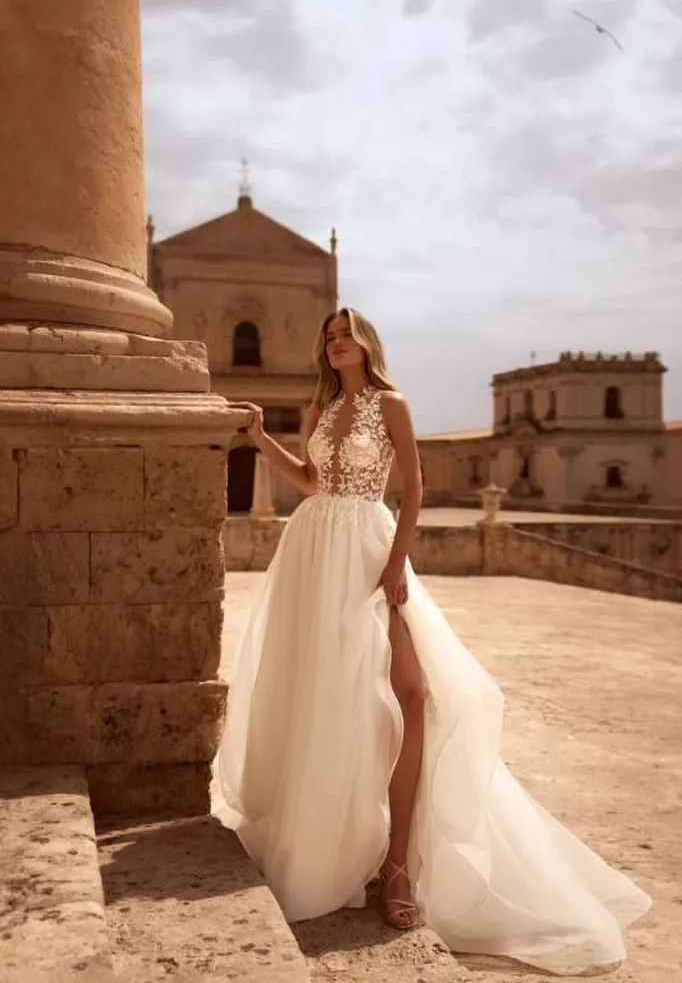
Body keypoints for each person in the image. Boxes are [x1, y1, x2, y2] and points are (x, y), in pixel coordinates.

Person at [216, 307, 650, 975]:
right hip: (312, 553)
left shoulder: (393, 404)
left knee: (413, 695)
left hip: (367, 550)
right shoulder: (319, 409)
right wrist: (257, 438)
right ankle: (336, 847)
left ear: (367, 345)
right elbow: (310, 482)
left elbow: (413, 487)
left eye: (345, 335)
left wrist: (394, 565)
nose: (335, 345)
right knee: (331, 695)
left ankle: (397, 869)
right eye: (328, 337)